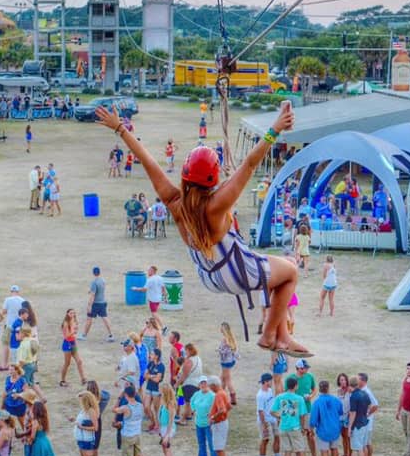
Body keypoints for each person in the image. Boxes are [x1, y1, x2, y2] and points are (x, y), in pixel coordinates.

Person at [96, 101, 310, 357]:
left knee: (283, 265)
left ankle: (281, 335)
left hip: (211, 277)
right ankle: (268, 335)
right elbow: (251, 163)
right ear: (214, 178)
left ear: (185, 176)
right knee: (291, 272)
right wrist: (274, 129)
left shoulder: (175, 204)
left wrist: (120, 128)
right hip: (239, 272)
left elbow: (147, 160)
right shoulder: (217, 206)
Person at [271, 375, 316, 456]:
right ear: (295, 386)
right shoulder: (299, 399)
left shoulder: (279, 397)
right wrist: (303, 428)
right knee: (301, 451)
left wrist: (280, 417)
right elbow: (302, 415)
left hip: (283, 427)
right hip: (295, 428)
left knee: (287, 451)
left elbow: (272, 411)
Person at [310, 380, 344, 456]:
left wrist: (311, 429)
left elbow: (313, 420)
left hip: (323, 430)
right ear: (328, 388)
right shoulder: (336, 399)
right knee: (334, 449)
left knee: (324, 451)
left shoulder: (317, 402)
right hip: (335, 429)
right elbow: (341, 412)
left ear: (319, 389)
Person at [207, 375, 232, 456]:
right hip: (223, 423)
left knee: (219, 450)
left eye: (210, 386)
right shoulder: (223, 393)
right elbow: (229, 407)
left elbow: (222, 410)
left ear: (213, 385)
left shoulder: (218, 395)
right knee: (219, 449)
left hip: (219, 424)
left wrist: (213, 418)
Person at [346, 375, 372, 456]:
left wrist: (349, 428)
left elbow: (352, 413)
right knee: (364, 446)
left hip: (357, 425)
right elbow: (370, 406)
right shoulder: (364, 393)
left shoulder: (353, 396)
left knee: (359, 448)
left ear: (350, 385)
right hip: (365, 422)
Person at [75, 390, 100, 456]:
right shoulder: (84, 410)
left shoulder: (91, 411)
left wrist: (82, 427)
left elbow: (95, 427)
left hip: (87, 439)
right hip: (82, 438)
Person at [83, 266, 113, 342]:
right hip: (102, 302)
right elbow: (99, 290)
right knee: (105, 319)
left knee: (89, 319)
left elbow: (93, 295)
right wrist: (91, 290)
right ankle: (111, 335)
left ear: (93, 273)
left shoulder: (94, 282)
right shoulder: (103, 281)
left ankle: (84, 335)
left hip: (95, 304)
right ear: (100, 272)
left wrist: (89, 305)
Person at [59, 309, 87, 387]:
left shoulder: (74, 321)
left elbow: (74, 332)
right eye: (71, 313)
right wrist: (73, 331)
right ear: (67, 314)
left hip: (73, 343)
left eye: (74, 313)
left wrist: (75, 330)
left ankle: (83, 379)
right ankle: (62, 380)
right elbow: (66, 336)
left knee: (79, 361)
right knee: (67, 363)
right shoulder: (65, 323)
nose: (73, 314)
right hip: (67, 344)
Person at [217, 322, 239, 406]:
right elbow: (234, 349)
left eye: (221, 328)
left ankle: (232, 396)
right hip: (231, 360)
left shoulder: (225, 339)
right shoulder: (231, 338)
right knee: (222, 378)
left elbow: (224, 351)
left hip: (225, 361)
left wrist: (219, 350)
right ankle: (220, 394)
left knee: (227, 379)